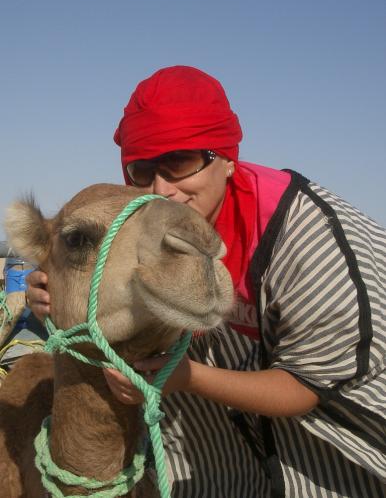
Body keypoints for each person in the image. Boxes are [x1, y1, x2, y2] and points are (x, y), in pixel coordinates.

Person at [27, 66, 385, 497]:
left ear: (227, 159)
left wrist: (189, 378)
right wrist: (56, 288)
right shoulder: (155, 227)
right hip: (221, 455)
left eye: (181, 162)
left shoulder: (309, 240)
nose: (163, 188)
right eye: (142, 169)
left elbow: (309, 385)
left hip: (338, 447)